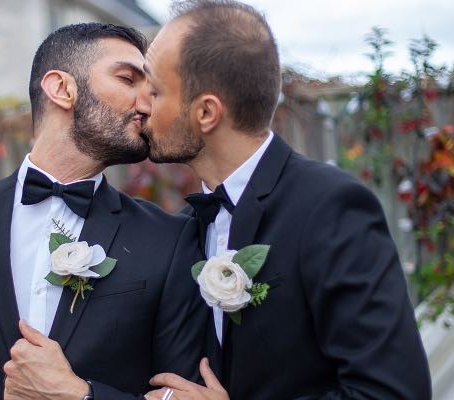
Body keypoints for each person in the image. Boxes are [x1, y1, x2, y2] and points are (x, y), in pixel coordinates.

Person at [0, 22, 208, 400]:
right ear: (61, 88)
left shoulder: (168, 240)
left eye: (151, 89)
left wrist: (82, 395)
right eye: (128, 79)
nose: (146, 104)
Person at [141, 1, 431, 399]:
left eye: (154, 91)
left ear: (206, 112)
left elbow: (392, 392)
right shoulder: (186, 224)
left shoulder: (331, 208)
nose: (142, 106)